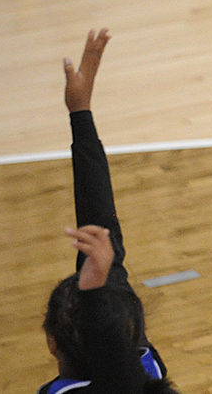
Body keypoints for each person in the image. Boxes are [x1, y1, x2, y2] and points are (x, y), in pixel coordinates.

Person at [39, 29, 178, 394]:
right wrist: (81, 114)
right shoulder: (149, 370)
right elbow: (101, 227)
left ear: (52, 344)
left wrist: (80, 115)